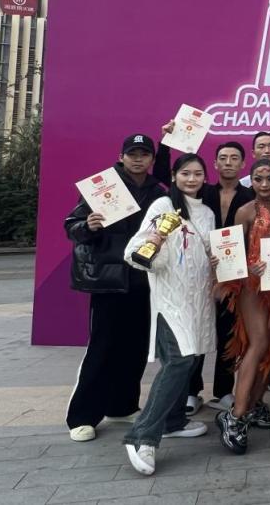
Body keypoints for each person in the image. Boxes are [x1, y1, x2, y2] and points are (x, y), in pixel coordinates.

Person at [64, 134, 166, 443]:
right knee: (102, 347)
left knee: (135, 347)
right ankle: (82, 416)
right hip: (109, 282)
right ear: (121, 156)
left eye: (144, 154)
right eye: (132, 153)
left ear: (152, 159)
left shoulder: (158, 191)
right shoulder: (104, 186)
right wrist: (88, 225)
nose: (138, 159)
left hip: (143, 280)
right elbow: (72, 225)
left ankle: (122, 407)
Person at [121, 153, 216, 475]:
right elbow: (135, 252)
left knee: (190, 359)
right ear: (174, 176)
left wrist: (216, 262)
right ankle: (142, 436)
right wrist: (155, 241)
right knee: (178, 361)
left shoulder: (206, 213)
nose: (192, 179)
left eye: (198, 173)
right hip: (171, 300)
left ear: (205, 177)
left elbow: (205, 253)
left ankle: (174, 421)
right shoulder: (162, 206)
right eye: (185, 173)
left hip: (197, 300)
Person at [153, 129, 255, 415]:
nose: (228, 162)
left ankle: (223, 391)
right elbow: (163, 176)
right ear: (215, 163)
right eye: (223, 158)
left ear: (242, 164)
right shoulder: (200, 192)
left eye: (234, 158)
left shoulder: (250, 196)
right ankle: (191, 391)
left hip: (234, 273)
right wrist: (166, 143)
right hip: (196, 273)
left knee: (228, 333)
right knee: (194, 332)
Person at [215, 158, 270, 454]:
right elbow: (231, 255)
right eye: (258, 179)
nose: (264, 184)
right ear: (252, 180)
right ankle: (235, 415)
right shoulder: (245, 211)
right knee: (258, 344)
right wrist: (249, 268)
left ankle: (255, 404)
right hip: (252, 288)